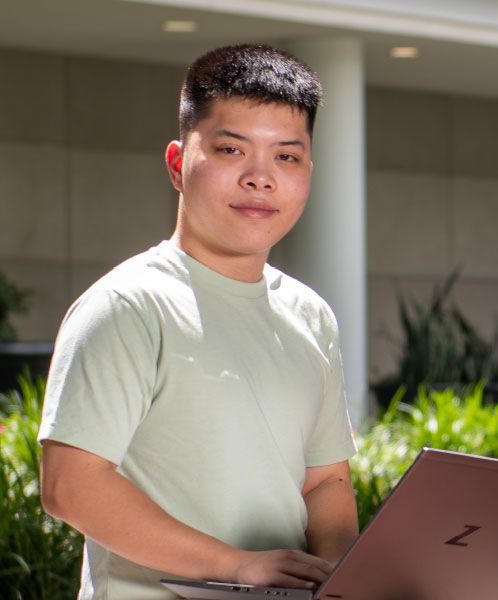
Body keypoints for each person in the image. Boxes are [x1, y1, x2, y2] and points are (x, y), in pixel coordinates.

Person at [38, 44, 359, 599]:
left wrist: (336, 580)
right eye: (232, 149)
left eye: (286, 156)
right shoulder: (128, 304)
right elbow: (71, 486)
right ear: (178, 164)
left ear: (309, 169)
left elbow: (325, 481)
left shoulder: (311, 315)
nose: (261, 178)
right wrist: (236, 566)